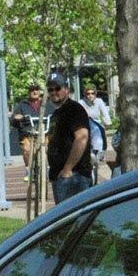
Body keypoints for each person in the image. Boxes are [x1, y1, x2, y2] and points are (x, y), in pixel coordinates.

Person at [44, 73, 91, 204]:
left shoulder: (74, 110)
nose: (54, 92)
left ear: (67, 89)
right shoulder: (57, 113)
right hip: (61, 177)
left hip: (74, 178)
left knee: (73, 221)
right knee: (66, 222)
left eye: (57, 88)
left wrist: (68, 169)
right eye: (50, 89)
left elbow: (82, 137)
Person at [10, 86, 43, 181]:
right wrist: (17, 118)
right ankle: (28, 170)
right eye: (32, 90)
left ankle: (47, 169)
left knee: (47, 148)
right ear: (29, 92)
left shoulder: (47, 103)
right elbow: (13, 120)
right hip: (27, 132)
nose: (34, 92)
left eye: (36, 90)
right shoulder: (22, 105)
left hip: (44, 132)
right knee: (27, 150)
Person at [80, 85, 112, 180]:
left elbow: (105, 113)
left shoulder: (99, 102)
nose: (90, 95)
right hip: (85, 127)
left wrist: (108, 120)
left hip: (97, 126)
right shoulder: (81, 103)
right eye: (88, 93)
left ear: (95, 94)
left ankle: (97, 154)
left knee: (99, 134)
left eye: (92, 93)